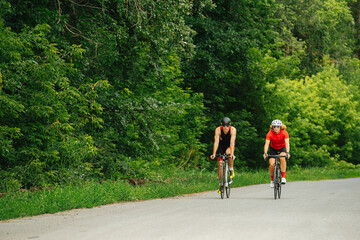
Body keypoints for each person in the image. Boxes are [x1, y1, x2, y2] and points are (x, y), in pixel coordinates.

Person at [210, 117, 237, 193]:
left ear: (229, 125)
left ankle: (231, 169)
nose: (226, 128)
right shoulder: (218, 130)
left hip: (229, 145)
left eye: (227, 125)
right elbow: (216, 142)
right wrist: (214, 154)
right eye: (224, 126)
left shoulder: (233, 130)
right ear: (222, 125)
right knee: (220, 165)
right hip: (221, 145)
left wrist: (232, 154)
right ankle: (221, 183)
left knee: (228, 154)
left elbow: (232, 142)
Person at [263, 119, 290, 188]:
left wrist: (287, 152)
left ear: (280, 127)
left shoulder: (284, 132)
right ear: (272, 127)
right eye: (274, 126)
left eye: (278, 126)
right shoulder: (269, 133)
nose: (276, 128)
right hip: (273, 149)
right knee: (271, 164)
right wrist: (265, 153)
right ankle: (272, 180)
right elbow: (266, 144)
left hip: (282, 148)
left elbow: (287, 143)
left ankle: (283, 177)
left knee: (282, 157)